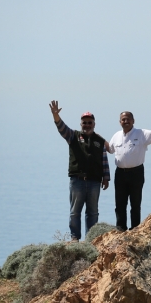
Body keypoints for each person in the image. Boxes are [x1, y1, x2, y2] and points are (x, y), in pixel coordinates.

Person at [49, 100, 110, 242]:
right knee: (75, 212)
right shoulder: (73, 136)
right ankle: (75, 238)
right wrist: (56, 115)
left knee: (93, 212)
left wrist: (106, 177)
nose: (87, 125)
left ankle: (91, 239)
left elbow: (104, 159)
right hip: (77, 181)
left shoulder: (99, 140)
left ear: (94, 124)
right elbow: (61, 128)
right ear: (80, 124)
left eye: (90, 122)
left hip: (94, 181)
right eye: (84, 122)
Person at [108, 109, 151, 231]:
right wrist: (95, 137)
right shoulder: (116, 136)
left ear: (133, 121)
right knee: (120, 204)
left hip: (136, 173)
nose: (126, 121)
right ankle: (121, 229)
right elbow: (109, 149)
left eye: (128, 119)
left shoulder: (141, 134)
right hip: (120, 173)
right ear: (120, 122)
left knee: (135, 204)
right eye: (123, 119)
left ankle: (135, 229)